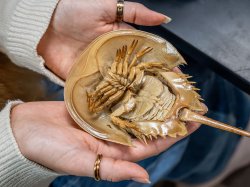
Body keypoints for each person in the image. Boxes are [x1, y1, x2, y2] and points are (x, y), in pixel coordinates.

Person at [0, 0, 203, 186]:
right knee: (173, 147)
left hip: (24, 77)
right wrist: (10, 149)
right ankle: (208, 169)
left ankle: (208, 168)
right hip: (37, 148)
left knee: (198, 92)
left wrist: (38, 19)